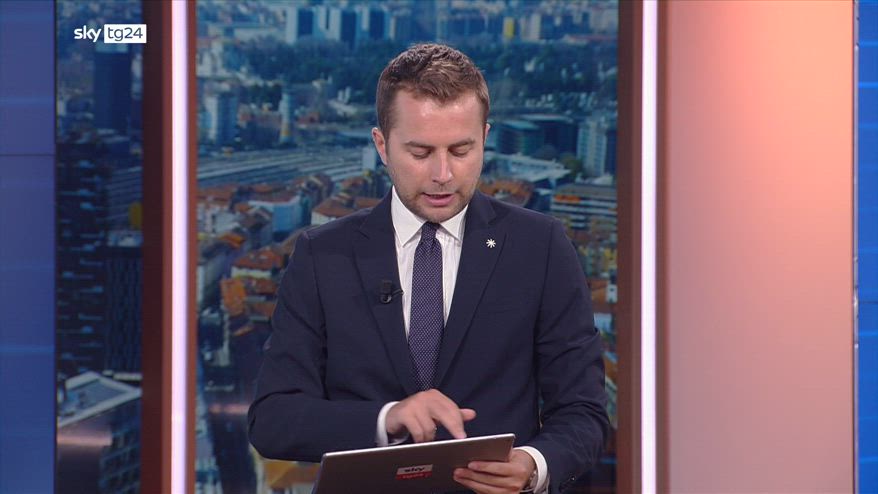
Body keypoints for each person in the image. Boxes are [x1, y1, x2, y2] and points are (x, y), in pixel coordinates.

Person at [248, 43, 608, 494]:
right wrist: (387, 418)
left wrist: (535, 465)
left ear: (485, 138)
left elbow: (584, 412)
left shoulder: (541, 248)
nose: (443, 174)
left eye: (461, 150)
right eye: (420, 153)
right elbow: (273, 418)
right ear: (382, 145)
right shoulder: (322, 257)